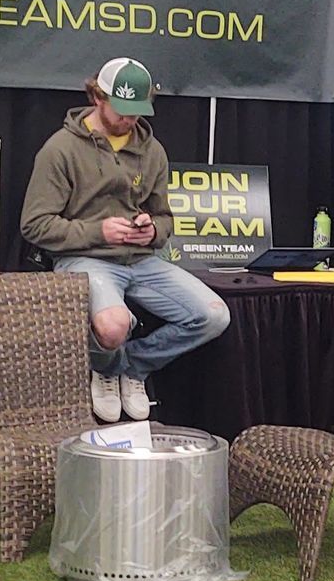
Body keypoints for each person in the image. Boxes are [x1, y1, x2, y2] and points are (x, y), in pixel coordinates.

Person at [19, 57, 231, 422]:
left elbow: (165, 218)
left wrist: (154, 229)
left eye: (137, 111)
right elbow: (35, 226)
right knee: (113, 325)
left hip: (141, 259)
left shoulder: (153, 151)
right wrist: (97, 231)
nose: (129, 119)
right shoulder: (60, 150)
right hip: (83, 258)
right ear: (98, 97)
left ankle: (129, 368)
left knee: (213, 317)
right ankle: (103, 368)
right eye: (122, 109)